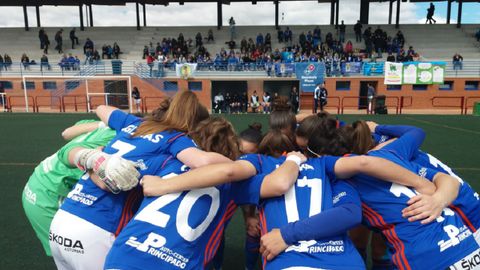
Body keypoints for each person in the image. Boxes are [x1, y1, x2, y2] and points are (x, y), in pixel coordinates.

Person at [139, 129, 434, 270]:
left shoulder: (258, 176)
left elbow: (229, 178)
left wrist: (165, 185)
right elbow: (351, 207)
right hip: (344, 263)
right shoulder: (326, 167)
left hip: (292, 263)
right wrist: (424, 183)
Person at [260, 120, 480, 270]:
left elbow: (349, 214)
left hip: (426, 257)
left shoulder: (343, 178)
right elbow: (447, 179)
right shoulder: (390, 154)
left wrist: (286, 234)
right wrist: (435, 196)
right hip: (465, 241)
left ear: (324, 155)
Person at [49, 92, 231, 270]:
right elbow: (203, 162)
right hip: (99, 225)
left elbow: (101, 108)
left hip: (63, 218)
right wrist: (241, 164)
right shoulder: (176, 139)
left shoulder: (134, 123)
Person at [22, 120, 116, 256]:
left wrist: (103, 124)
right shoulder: (116, 141)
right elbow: (104, 183)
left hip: (37, 183)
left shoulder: (103, 124)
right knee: (73, 255)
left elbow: (66, 133)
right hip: (50, 195)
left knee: (69, 255)